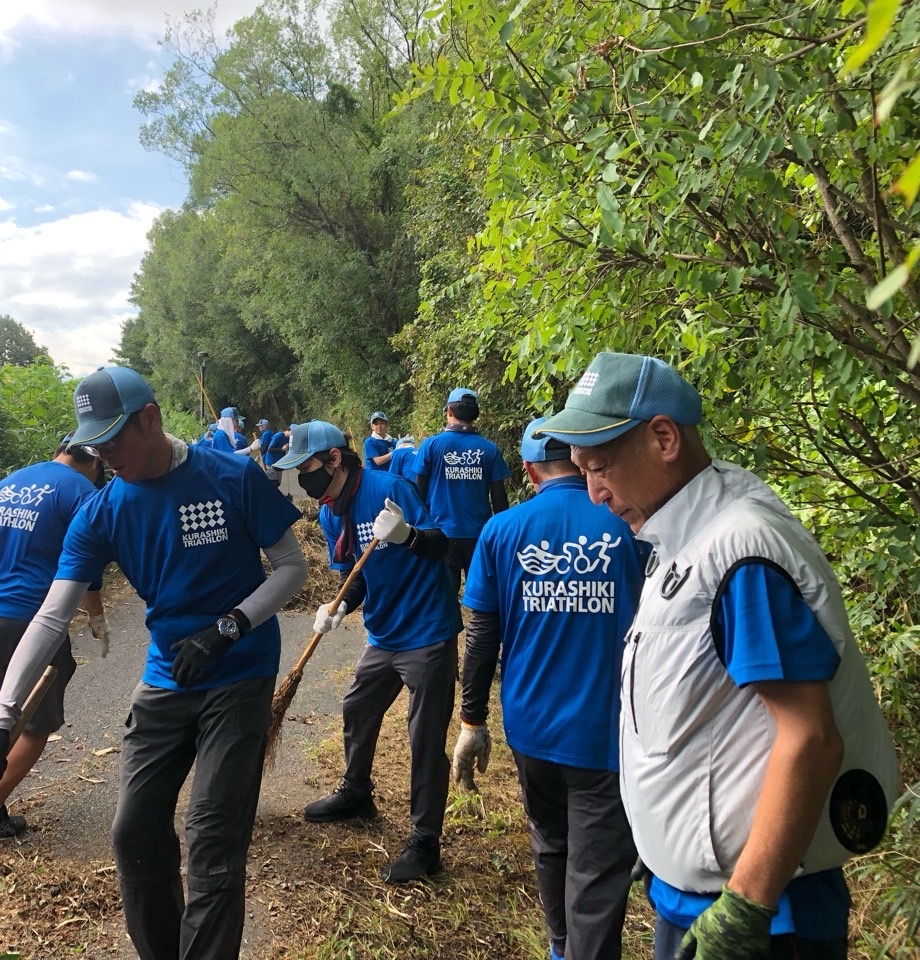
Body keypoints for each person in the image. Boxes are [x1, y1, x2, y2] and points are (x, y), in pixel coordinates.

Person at [536, 352, 899, 960]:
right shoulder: (681, 539)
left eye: (600, 468)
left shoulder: (739, 552)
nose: (594, 494)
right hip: (697, 901)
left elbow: (810, 738)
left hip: (764, 922)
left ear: (663, 437)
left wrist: (745, 909)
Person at [0, 367, 307, 960]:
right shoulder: (100, 511)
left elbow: (292, 568)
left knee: (212, 835)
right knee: (134, 834)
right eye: (94, 443)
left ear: (151, 419)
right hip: (166, 675)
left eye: (113, 438)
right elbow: (50, 617)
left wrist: (229, 627)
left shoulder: (231, 474)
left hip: (240, 670)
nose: (104, 454)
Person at [452, 417, 643, 960]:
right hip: (606, 731)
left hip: (530, 726)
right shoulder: (627, 520)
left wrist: (471, 722)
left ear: (530, 469)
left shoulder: (502, 530)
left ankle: (561, 946)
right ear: (582, 461)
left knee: (551, 842)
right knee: (599, 870)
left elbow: (481, 636)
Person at [276, 421, 462, 883]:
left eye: (306, 466)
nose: (301, 477)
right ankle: (357, 792)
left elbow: (444, 545)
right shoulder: (328, 510)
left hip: (427, 630)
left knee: (424, 737)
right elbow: (355, 575)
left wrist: (407, 536)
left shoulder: (390, 488)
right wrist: (337, 607)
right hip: (383, 634)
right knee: (357, 707)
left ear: (334, 458)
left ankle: (425, 841)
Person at [0, 433, 111, 841]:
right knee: (35, 723)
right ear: (93, 461)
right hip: (28, 616)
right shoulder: (82, 492)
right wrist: (97, 618)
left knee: (3, 689)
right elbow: (86, 564)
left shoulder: (9, 481)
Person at [412, 388, 511, 595]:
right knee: (481, 596)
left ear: (449, 410)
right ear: (476, 414)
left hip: (441, 534)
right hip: (479, 535)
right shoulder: (490, 449)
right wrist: (501, 535)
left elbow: (418, 493)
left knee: (446, 597)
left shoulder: (431, 446)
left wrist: (419, 532)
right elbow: (500, 499)